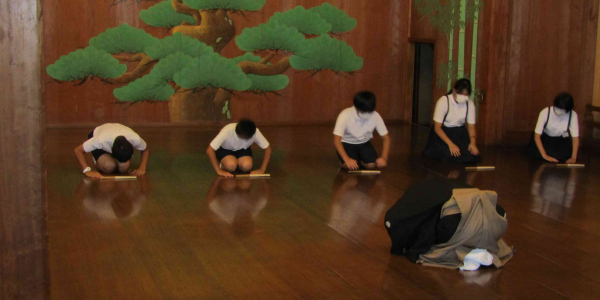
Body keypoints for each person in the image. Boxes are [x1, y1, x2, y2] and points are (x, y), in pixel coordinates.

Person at [423, 79, 480, 164]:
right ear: (454, 91)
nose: (463, 97)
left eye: (466, 95)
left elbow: (471, 127)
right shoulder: (444, 101)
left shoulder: (470, 104)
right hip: (443, 132)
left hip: (459, 132)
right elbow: (437, 127)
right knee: (449, 155)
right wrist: (450, 144)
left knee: (471, 155)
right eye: (461, 94)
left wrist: (473, 143)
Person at [333, 91, 390, 170]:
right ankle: (344, 161)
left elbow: (386, 138)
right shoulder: (345, 115)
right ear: (356, 107)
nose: (366, 114)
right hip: (347, 143)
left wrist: (384, 158)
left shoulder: (375, 115)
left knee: (372, 165)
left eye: (369, 111)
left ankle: (360, 161)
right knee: (350, 167)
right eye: (363, 111)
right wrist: (347, 159)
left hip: (364, 143)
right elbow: (336, 140)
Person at [74, 123, 150, 178]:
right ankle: (97, 160)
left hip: (114, 138)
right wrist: (87, 170)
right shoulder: (101, 140)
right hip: (99, 135)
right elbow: (78, 150)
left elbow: (145, 149)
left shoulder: (135, 139)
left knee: (124, 168)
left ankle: (113, 161)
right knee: (109, 166)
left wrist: (142, 168)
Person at [524, 92, 579, 163]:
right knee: (537, 153)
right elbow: (537, 136)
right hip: (544, 139)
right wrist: (544, 155)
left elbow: (575, 137)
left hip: (560, 140)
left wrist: (573, 157)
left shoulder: (572, 115)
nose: (559, 110)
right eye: (557, 107)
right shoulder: (545, 112)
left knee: (564, 155)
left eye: (562, 109)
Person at [207, 119, 272, 177]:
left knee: (247, 166)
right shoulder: (227, 131)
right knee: (230, 166)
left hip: (243, 149)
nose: (244, 140)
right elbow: (210, 150)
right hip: (225, 149)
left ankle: (237, 163)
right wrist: (218, 171)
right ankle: (226, 164)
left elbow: (267, 148)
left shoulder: (255, 131)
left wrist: (262, 169)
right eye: (242, 137)